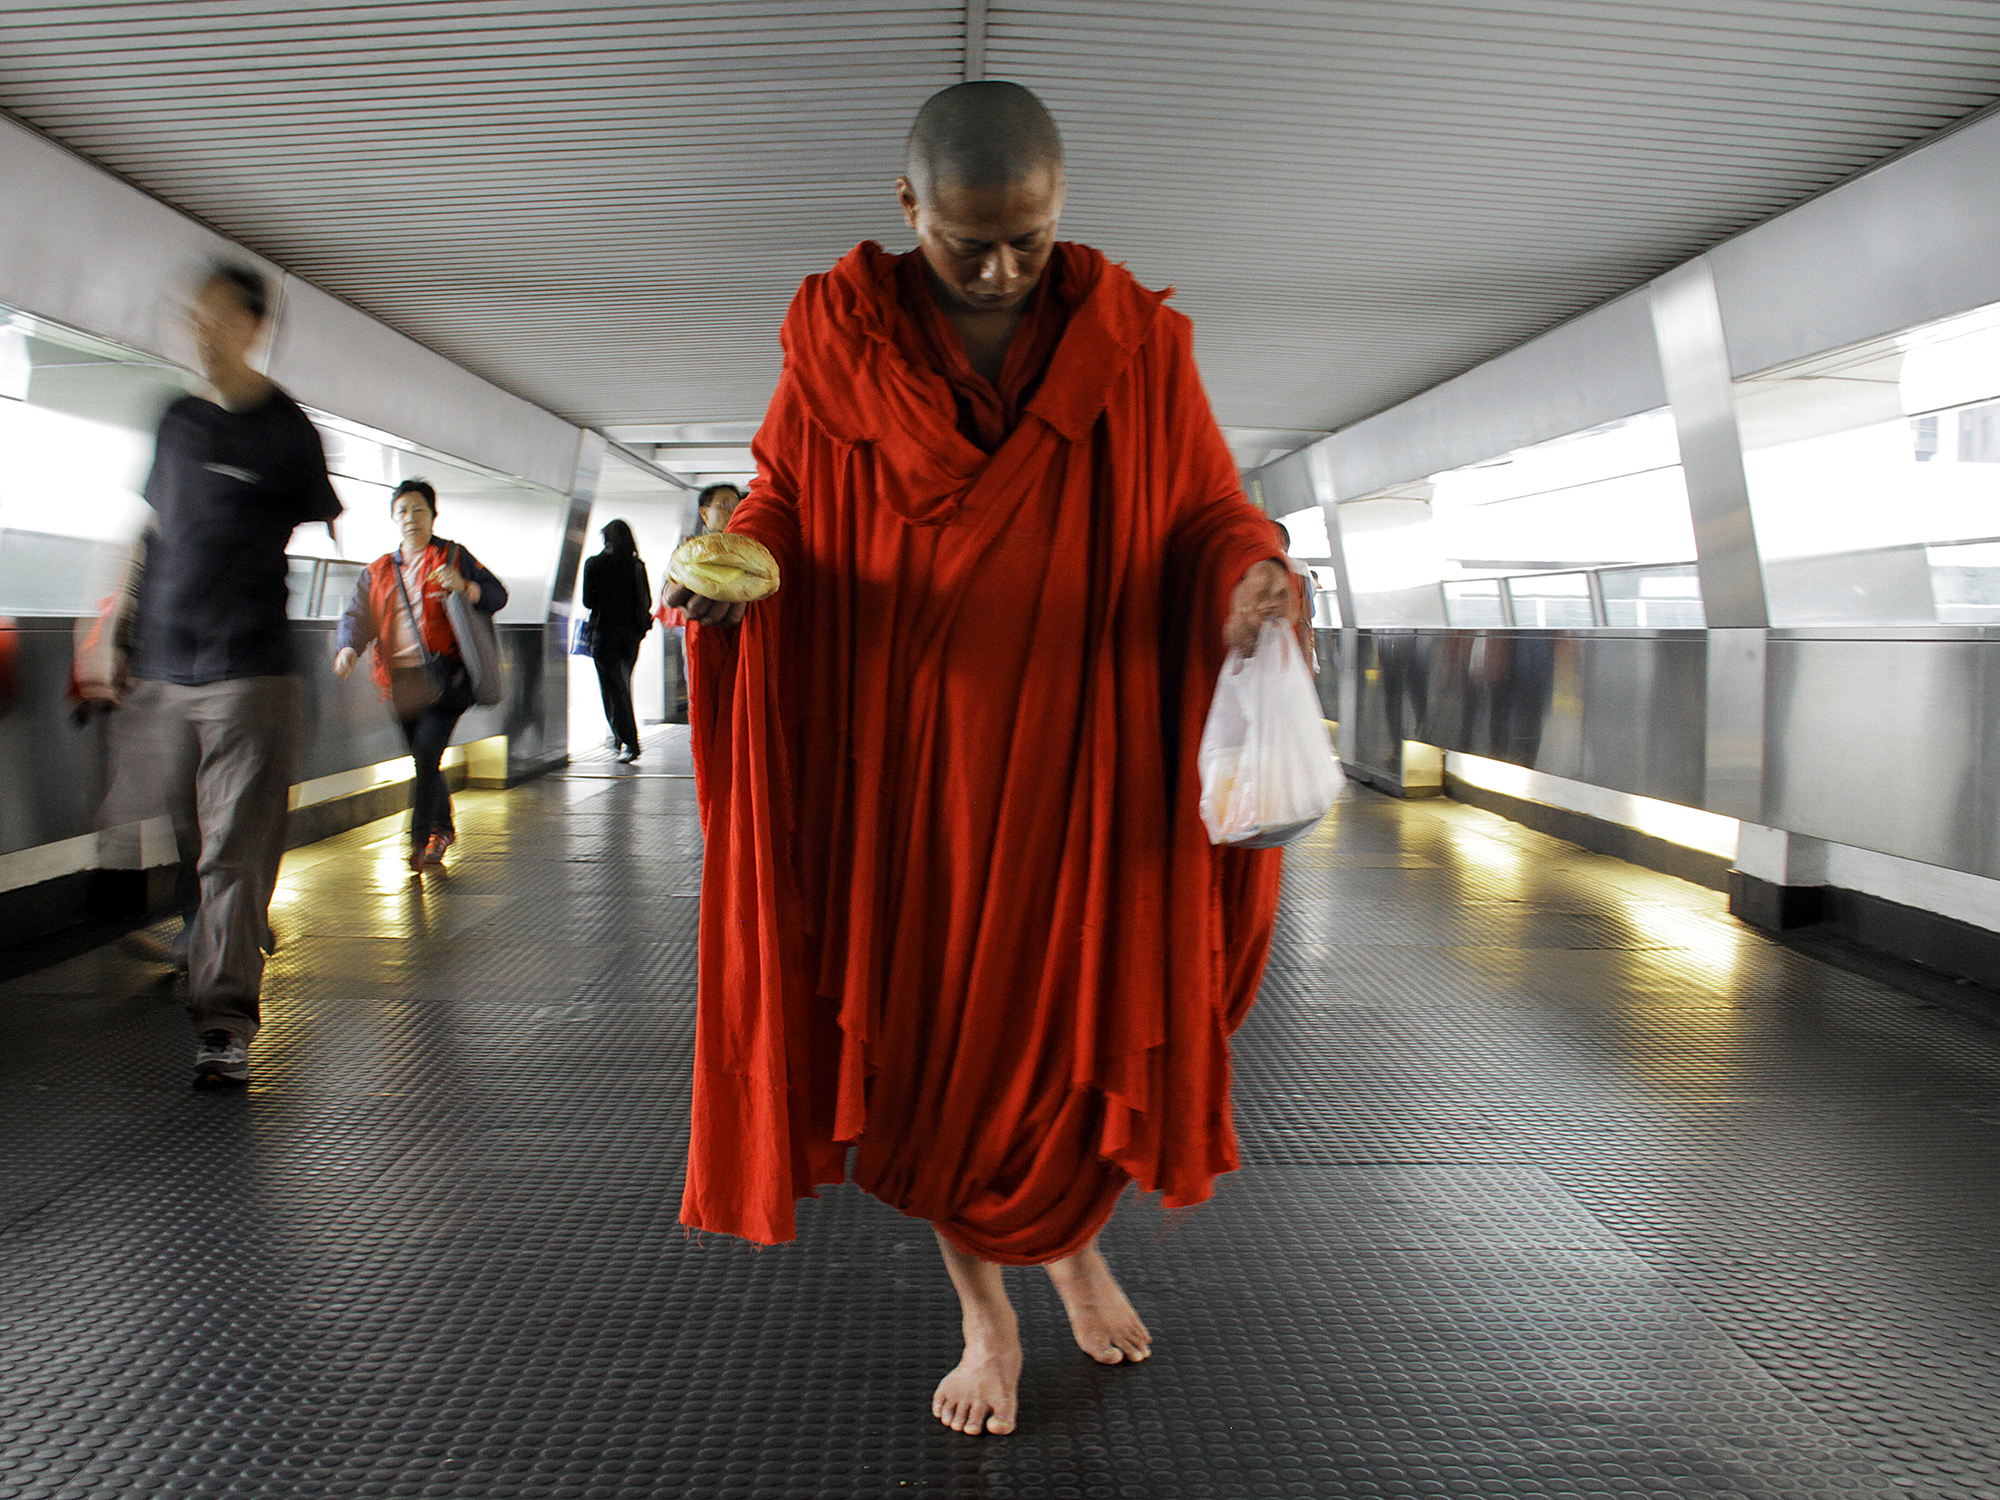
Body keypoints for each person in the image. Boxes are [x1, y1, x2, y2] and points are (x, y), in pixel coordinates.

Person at [668, 82, 1298, 1436]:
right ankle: (985, 1316)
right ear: (908, 209)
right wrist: (736, 567)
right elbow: (784, 496)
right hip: (910, 773)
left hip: (1090, 759)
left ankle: (1073, 1249)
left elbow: (1207, 508)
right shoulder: (837, 341)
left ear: (1061, 208)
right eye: (968, 242)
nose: (1003, 269)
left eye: (1029, 237)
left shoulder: (1137, 345)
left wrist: (1249, 573)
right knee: (936, 1047)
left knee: (1077, 1026)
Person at [108, 262, 343, 1086]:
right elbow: (152, 531)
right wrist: (115, 629)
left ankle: (224, 1020)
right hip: (166, 666)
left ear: (253, 328)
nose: (201, 332)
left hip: (251, 669)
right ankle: (208, 946)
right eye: (193, 317)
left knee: (233, 856)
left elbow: (320, 529)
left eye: (217, 318)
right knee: (195, 846)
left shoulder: (288, 430)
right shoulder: (176, 420)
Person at [332, 478, 507, 869]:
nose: (411, 518)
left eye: (419, 510)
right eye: (402, 511)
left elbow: (497, 595)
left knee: (426, 754)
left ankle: (418, 839)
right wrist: (348, 648)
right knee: (425, 760)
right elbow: (358, 615)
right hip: (400, 683)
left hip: (446, 678)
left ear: (433, 515)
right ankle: (443, 828)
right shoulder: (378, 570)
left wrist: (465, 586)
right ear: (394, 518)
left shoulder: (453, 557)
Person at [581, 519, 652, 763]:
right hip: (631, 635)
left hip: (604, 633)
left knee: (612, 687)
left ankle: (629, 741)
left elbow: (588, 601)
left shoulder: (594, 564)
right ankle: (618, 737)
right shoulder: (636, 565)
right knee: (621, 683)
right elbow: (646, 600)